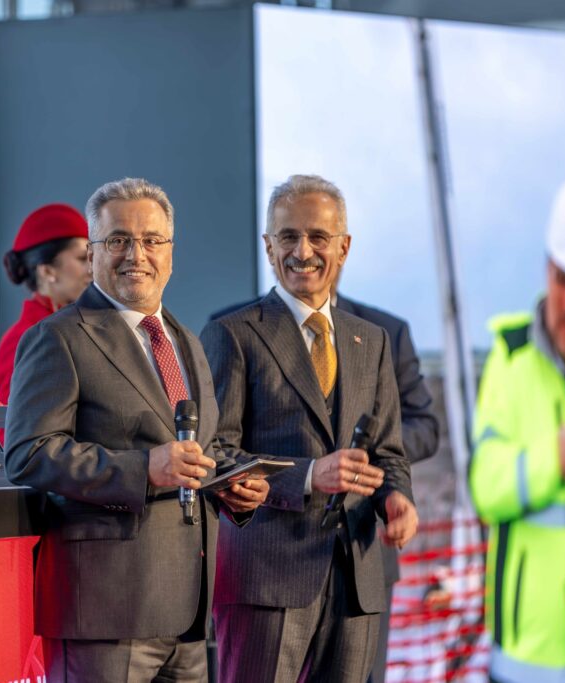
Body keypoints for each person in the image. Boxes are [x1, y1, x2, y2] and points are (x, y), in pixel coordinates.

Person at [4, 178, 269, 682]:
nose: (136, 255)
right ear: (92, 254)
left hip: (189, 613)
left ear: (170, 253)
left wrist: (234, 485)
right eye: (118, 240)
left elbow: (202, 446)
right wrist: (143, 468)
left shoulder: (185, 340)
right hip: (105, 610)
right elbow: (28, 452)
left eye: (151, 240)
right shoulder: (57, 337)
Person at [201, 174, 417, 683]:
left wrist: (396, 499)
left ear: (343, 247)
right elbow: (215, 455)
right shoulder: (232, 334)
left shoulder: (373, 341)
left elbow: (389, 453)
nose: (303, 251)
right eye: (288, 237)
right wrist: (307, 476)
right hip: (265, 582)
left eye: (318, 237)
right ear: (268, 246)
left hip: (355, 580)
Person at [469, 178, 565, 683]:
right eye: (562, 282)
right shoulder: (509, 360)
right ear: (546, 272)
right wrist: (550, 459)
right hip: (520, 662)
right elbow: (485, 487)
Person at [0, 203, 91, 403]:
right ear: (47, 271)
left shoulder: (85, 326)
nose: (92, 269)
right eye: (83, 259)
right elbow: (13, 419)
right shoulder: (24, 339)